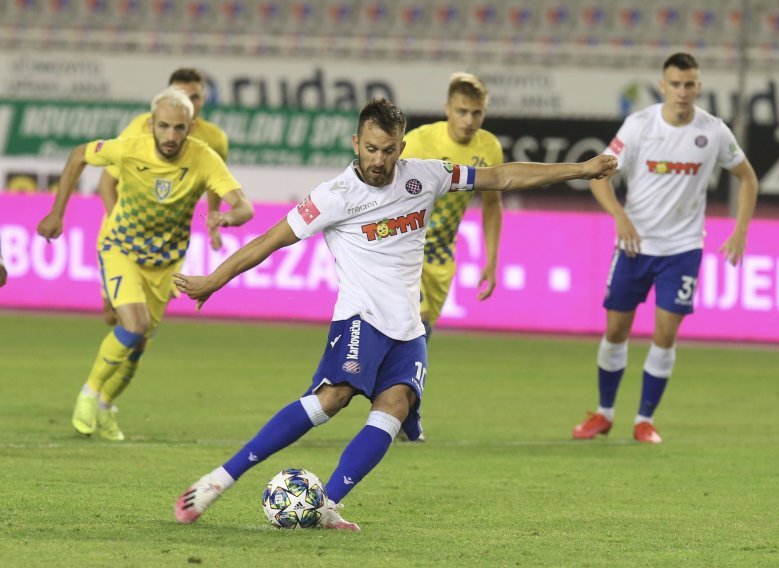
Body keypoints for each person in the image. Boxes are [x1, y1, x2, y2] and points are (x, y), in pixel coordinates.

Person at [172, 97, 617, 530]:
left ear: (402, 147)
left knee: (396, 406)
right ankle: (218, 480)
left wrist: (581, 169)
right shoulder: (334, 196)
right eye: (370, 149)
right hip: (360, 317)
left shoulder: (427, 175)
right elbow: (268, 241)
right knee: (335, 397)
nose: (379, 160)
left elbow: (501, 177)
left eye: (388, 150)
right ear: (355, 143)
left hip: (407, 325)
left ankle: (326, 504)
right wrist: (214, 280)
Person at [37, 87, 253, 442]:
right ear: (152, 124)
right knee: (133, 324)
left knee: (138, 346)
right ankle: (88, 394)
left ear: (190, 127)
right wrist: (56, 213)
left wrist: (226, 219)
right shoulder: (130, 146)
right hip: (120, 246)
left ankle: (106, 406)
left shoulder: (204, 157)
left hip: (165, 264)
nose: (170, 136)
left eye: (179, 128)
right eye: (164, 126)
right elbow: (78, 155)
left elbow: (244, 206)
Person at [571, 53, 758, 444]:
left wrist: (740, 230)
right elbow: (598, 175)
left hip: (683, 248)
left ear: (699, 86)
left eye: (690, 84)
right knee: (616, 330)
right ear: (663, 86)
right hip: (635, 246)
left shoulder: (715, 132)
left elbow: (747, 178)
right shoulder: (640, 126)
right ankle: (604, 413)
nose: (683, 91)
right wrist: (619, 216)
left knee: (665, 335)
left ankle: (644, 420)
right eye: (676, 84)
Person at [398, 72, 503, 442]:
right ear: (447, 109)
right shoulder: (419, 141)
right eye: (462, 111)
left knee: (421, 337)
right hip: (404, 248)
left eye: (476, 113)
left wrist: (491, 259)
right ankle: (403, 414)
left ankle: (404, 409)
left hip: (442, 255)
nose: (469, 120)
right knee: (413, 328)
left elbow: (493, 205)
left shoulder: (489, 148)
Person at [99, 67, 229, 328]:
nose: (190, 103)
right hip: (124, 234)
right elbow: (107, 181)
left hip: (168, 240)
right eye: (183, 96)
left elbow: (215, 185)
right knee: (112, 315)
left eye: (196, 97)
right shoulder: (140, 129)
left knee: (145, 321)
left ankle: (129, 352)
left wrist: (213, 221)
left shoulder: (214, 139)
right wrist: (119, 223)